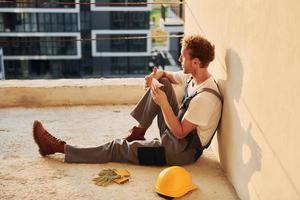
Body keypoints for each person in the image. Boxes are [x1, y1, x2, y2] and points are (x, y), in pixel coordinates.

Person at [33, 35, 222, 166]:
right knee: (162, 81)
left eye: (183, 56)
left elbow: (180, 134)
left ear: (196, 62)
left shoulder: (205, 99)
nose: (180, 58)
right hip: (176, 136)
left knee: (116, 148)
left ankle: (60, 148)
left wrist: (163, 103)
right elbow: (167, 75)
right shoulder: (195, 77)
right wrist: (154, 77)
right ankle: (138, 132)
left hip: (179, 152)